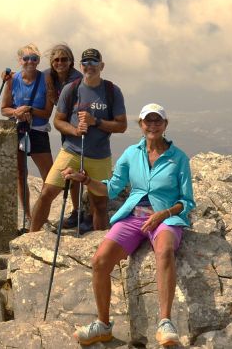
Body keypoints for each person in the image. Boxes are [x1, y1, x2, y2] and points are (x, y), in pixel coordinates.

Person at [66, 103, 193, 346]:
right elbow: (111, 188)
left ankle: (165, 322)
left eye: (158, 121)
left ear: (165, 125)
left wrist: (163, 214)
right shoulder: (132, 154)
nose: (153, 125)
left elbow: (186, 201)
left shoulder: (179, 159)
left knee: (164, 251)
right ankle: (103, 325)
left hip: (165, 216)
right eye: (148, 121)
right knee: (100, 261)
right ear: (141, 125)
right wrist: (86, 180)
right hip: (133, 217)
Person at [29, 48, 127, 232]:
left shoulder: (112, 91)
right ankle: (30, 238)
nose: (89, 67)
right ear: (81, 66)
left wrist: (95, 121)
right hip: (71, 151)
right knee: (46, 193)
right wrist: (74, 130)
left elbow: (121, 125)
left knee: (99, 204)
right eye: (86, 63)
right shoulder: (71, 89)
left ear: (101, 66)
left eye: (94, 63)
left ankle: (99, 250)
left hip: (99, 156)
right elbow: (58, 120)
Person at [0, 43, 55, 228]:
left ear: (39, 61)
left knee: (50, 176)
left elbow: (47, 112)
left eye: (34, 59)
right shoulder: (12, 79)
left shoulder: (45, 79)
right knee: (20, 173)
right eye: (26, 58)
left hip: (38, 131)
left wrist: (30, 110)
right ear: (19, 60)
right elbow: (4, 109)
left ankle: (41, 214)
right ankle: (28, 217)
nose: (30, 62)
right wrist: (17, 113)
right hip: (19, 130)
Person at [43, 43, 84, 230]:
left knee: (75, 171)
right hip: (65, 128)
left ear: (71, 61)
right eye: (56, 60)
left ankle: (79, 212)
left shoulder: (77, 79)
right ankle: (78, 211)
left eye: (64, 59)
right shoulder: (48, 76)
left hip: (77, 129)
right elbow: (27, 75)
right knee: (71, 170)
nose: (60, 63)